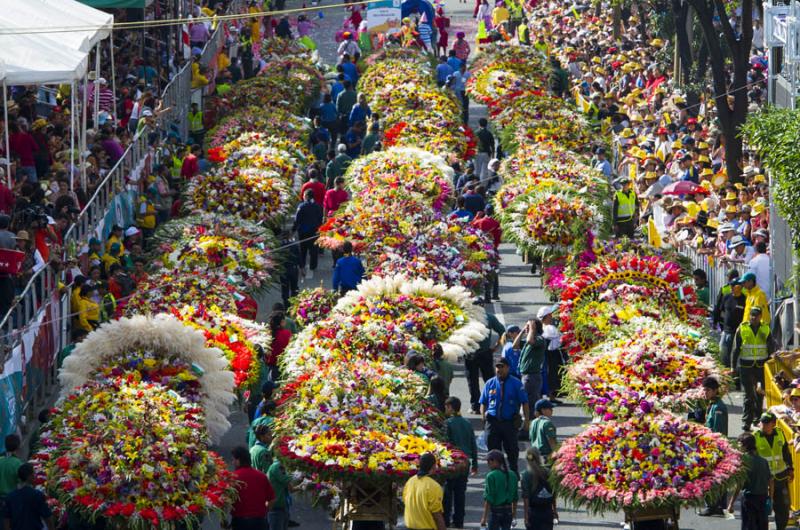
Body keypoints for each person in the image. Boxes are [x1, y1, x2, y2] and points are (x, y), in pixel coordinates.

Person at [479, 357, 530, 474]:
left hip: (509, 423)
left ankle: (513, 475)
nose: (499, 369)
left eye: (502, 367)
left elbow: (525, 402)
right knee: (493, 453)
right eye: (497, 367)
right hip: (493, 422)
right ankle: (494, 475)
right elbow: (483, 402)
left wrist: (526, 420)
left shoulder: (516, 383)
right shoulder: (490, 383)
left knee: (512, 451)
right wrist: (483, 418)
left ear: (508, 368)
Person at [733, 307, 771, 432]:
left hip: (760, 366)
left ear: (761, 316)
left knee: (759, 394)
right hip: (746, 366)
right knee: (748, 395)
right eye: (752, 315)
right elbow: (736, 349)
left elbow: (771, 348)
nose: (753, 317)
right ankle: (746, 422)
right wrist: (733, 367)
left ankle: (758, 419)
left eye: (756, 315)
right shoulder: (742, 328)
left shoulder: (766, 328)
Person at [443, 397, 478, 529]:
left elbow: (446, 443)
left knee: (448, 493)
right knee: (460, 492)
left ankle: (446, 520)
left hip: (453, 462)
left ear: (451, 407)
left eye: (446, 407)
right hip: (466, 462)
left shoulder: (448, 423)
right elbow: (473, 444)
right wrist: (474, 464)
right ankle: (459, 521)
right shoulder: (467, 423)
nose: (445, 409)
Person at [754, 412, 792, 530]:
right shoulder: (755, 436)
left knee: (783, 507)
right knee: (762, 508)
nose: (763, 425)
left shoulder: (780, 433)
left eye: (766, 423)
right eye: (762, 422)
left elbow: (786, 452)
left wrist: (791, 468)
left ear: (773, 424)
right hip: (763, 479)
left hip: (780, 476)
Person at [697, 377, 728, 516]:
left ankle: (714, 505)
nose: (705, 393)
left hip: (715, 447)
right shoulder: (712, 404)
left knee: (712, 476)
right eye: (704, 390)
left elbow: (717, 430)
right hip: (710, 445)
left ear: (715, 390)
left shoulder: (718, 407)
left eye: (708, 390)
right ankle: (719, 505)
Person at [727, 432, 772, 530]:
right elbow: (771, 481)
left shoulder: (743, 462)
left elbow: (739, 485)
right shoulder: (763, 461)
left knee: (749, 526)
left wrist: (731, 504)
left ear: (745, 445)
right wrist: (770, 498)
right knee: (762, 526)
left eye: (739, 444)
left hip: (749, 500)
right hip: (763, 499)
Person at [466, 309, 505, 414]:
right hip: (485, 353)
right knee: (490, 379)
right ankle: (493, 402)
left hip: (470, 354)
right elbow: (502, 331)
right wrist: (496, 346)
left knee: (472, 380)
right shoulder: (489, 317)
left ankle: (475, 406)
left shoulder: (466, 317)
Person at [229, 446, 274, 530]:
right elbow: (271, 499)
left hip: (240, 522)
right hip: (259, 521)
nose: (232, 462)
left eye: (233, 459)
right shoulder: (262, 476)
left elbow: (226, 500)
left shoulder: (233, 477)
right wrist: (264, 511)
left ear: (238, 460)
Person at [2, 463, 54, 530]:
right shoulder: (37, 495)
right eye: (33, 473)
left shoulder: (10, 496)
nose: (35, 476)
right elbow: (47, 517)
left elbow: (6, 520)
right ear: (29, 476)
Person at [402, 453, 446, 530]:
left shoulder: (410, 481)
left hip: (409, 526)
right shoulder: (434, 486)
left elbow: (405, 501)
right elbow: (437, 515)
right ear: (433, 466)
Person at [480, 450, 518, 530]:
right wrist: (514, 515)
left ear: (496, 461)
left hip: (495, 512)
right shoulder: (513, 475)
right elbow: (515, 498)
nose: (487, 463)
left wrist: (484, 518)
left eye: (489, 461)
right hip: (508, 512)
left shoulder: (491, 476)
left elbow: (489, 498)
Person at [521, 447, 556, 530]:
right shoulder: (548, 472)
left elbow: (526, 497)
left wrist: (526, 516)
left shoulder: (526, 475)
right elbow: (554, 492)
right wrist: (554, 510)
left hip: (533, 512)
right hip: (547, 511)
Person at [515, 319, 547, 408]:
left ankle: (530, 419)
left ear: (534, 327)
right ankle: (527, 418)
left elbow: (530, 341)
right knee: (524, 400)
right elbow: (515, 345)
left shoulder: (539, 339)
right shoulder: (528, 340)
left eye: (528, 326)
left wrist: (532, 329)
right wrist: (522, 331)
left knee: (530, 402)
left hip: (532, 376)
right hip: (525, 375)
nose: (526, 328)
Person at [292, 190, 324, 280]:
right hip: (314, 231)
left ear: (306, 196)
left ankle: (302, 265)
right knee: (314, 249)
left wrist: (293, 229)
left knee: (303, 249)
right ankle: (313, 266)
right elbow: (320, 218)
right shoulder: (318, 206)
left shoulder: (301, 206)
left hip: (303, 231)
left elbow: (297, 219)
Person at [717, 277, 746, 374]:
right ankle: (724, 373)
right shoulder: (727, 297)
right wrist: (718, 324)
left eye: (733, 286)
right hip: (726, 330)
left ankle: (734, 375)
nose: (731, 287)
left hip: (736, 332)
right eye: (731, 285)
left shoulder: (744, 300)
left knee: (734, 354)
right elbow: (721, 311)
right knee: (722, 352)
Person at [537, 306, 563, 403]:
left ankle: (551, 396)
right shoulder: (549, 328)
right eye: (550, 315)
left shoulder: (543, 327)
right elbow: (557, 341)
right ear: (547, 316)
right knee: (550, 373)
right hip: (550, 354)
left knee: (551, 374)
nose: (551, 317)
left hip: (547, 353)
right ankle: (547, 395)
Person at [528, 399, 557, 464]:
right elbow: (551, 441)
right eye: (549, 408)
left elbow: (531, 438)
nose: (552, 410)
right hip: (545, 456)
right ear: (543, 410)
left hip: (535, 455)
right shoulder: (547, 423)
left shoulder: (533, 422)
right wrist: (556, 453)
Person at [267, 458, 293, 530]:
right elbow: (285, 479)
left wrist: (302, 486)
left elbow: (291, 489)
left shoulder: (280, 467)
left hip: (283, 507)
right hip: (276, 508)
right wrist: (296, 475)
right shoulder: (277, 466)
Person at [267, 313, 292, 382]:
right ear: (281, 322)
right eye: (284, 321)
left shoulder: (268, 333)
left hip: (270, 365)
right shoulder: (287, 334)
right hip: (283, 364)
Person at [0, 435, 21, 507]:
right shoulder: (18, 463)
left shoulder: (0, 460)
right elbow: (21, 484)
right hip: (12, 500)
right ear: (18, 447)